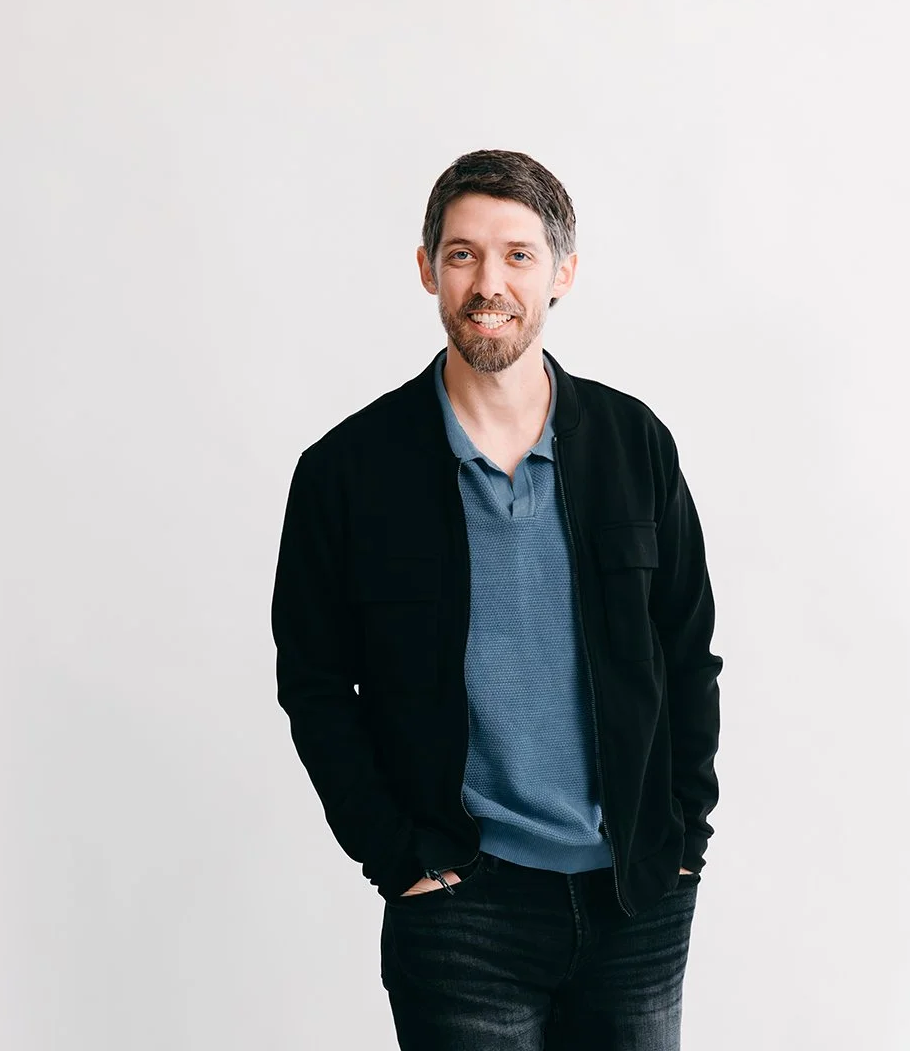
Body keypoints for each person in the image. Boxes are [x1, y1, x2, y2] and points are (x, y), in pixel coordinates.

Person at [272, 149, 722, 1049]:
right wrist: (397, 857)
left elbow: (686, 652)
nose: (490, 282)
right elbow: (315, 687)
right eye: (464, 253)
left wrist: (682, 839)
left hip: (637, 901)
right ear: (427, 267)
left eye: (518, 254)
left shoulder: (635, 445)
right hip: (461, 911)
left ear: (563, 272)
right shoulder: (347, 472)